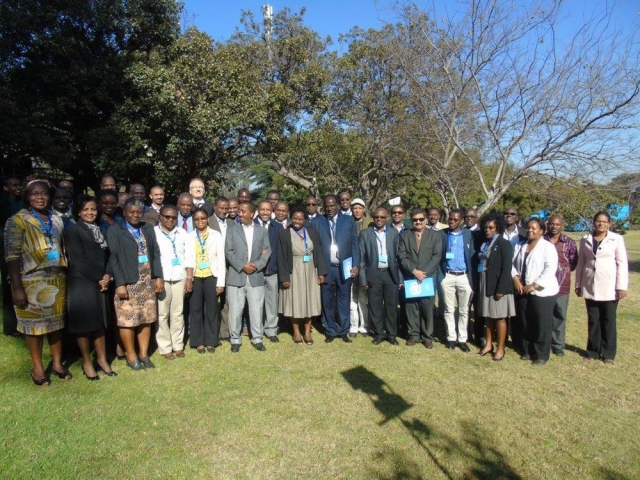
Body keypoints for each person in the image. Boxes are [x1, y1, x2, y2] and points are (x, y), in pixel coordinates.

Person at [4, 180, 70, 385]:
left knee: (56, 323)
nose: (39, 197)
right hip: (31, 280)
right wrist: (17, 287)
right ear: (27, 197)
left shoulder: (56, 219)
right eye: (34, 194)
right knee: (34, 326)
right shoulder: (18, 220)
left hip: (57, 278)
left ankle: (57, 362)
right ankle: (38, 367)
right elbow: (11, 256)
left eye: (43, 193)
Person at [107, 197, 164, 370]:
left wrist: (158, 276)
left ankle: (144, 354)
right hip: (128, 282)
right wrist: (120, 283)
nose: (135, 215)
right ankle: (131, 356)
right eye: (131, 212)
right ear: (124, 213)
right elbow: (113, 258)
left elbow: (155, 253)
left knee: (146, 319)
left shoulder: (148, 229)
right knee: (128, 320)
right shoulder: (115, 230)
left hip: (147, 281)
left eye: (138, 212)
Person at [64, 195, 117, 380]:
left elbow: (109, 255)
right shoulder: (73, 231)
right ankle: (87, 362)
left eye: (93, 209)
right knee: (84, 326)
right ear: (78, 211)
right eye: (85, 209)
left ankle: (102, 360)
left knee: (100, 324)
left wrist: (108, 275)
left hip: (100, 282)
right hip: (82, 283)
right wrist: (99, 278)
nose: (90, 212)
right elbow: (78, 260)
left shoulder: (100, 230)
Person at [575, 211, 628, 364]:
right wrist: (578, 284)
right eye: (598, 221)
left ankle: (608, 354)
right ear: (593, 222)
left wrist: (621, 286)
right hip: (590, 285)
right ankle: (592, 351)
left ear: (609, 224)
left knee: (608, 320)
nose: (601, 224)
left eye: (605, 222)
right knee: (593, 320)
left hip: (609, 287)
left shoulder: (616, 239)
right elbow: (581, 263)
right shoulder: (585, 239)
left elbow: (622, 263)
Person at [512, 218, 559, 365]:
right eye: (528, 228)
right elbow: (511, 264)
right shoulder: (520, 245)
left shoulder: (548, 247)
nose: (530, 230)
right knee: (525, 321)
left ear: (542, 231)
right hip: (522, 290)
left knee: (541, 323)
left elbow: (550, 269)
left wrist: (535, 285)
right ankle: (526, 350)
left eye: (534, 228)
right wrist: (515, 279)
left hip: (542, 292)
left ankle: (541, 354)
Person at [225, 201, 271, 352]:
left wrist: (256, 265)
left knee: (257, 310)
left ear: (252, 214)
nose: (240, 214)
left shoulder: (262, 231)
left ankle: (257, 338)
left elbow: (266, 251)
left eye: (243, 211)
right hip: (236, 276)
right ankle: (235, 340)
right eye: (239, 211)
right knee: (235, 310)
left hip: (255, 276)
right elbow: (229, 251)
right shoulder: (232, 229)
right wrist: (242, 265)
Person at [277, 207, 326, 344]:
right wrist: (285, 277)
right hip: (294, 270)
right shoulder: (285, 234)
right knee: (295, 301)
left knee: (309, 301)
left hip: (311, 270)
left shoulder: (311, 232)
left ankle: (307, 332)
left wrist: (321, 272)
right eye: (295, 218)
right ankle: (296, 332)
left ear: (305, 220)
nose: (297, 221)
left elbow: (319, 252)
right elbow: (281, 257)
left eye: (300, 218)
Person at [315, 195, 360, 343]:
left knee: (344, 299)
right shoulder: (318, 221)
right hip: (327, 268)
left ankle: (343, 330)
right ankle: (330, 330)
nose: (330, 208)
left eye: (332, 205)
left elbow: (354, 243)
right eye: (327, 206)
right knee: (327, 300)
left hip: (345, 267)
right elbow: (316, 248)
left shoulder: (348, 220)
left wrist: (356, 264)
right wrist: (320, 270)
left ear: (338, 205)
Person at [398, 208, 442, 348]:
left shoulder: (435, 236)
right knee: (412, 307)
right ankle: (414, 334)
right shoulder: (405, 235)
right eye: (415, 219)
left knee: (427, 307)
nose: (418, 222)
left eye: (421, 219)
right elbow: (402, 256)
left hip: (428, 277)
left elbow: (437, 256)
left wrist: (424, 273)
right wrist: (413, 271)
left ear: (426, 220)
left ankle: (427, 336)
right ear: (412, 221)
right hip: (411, 276)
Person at [184, 208, 225, 354]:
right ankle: (198, 341)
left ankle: (211, 340)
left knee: (211, 309)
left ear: (207, 219)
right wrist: (188, 278)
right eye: (197, 219)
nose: (200, 221)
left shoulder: (216, 235)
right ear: (193, 221)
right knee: (195, 309)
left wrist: (221, 283)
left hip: (211, 276)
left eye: (202, 218)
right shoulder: (189, 237)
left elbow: (221, 259)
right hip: (195, 277)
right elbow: (188, 258)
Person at [359, 207, 402, 345]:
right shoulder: (365, 234)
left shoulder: (394, 233)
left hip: (390, 274)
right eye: (376, 217)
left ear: (387, 218)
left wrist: (400, 278)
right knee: (375, 306)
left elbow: (398, 257)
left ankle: (391, 334)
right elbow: (361, 258)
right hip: (374, 274)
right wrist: (363, 278)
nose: (379, 219)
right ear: (373, 217)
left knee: (391, 306)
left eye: (382, 217)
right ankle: (379, 333)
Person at [476, 213, 515, 361]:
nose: (487, 230)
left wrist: (501, 289)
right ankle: (488, 344)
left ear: (498, 228)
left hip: (498, 285)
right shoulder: (485, 243)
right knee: (488, 317)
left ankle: (500, 348)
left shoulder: (504, 244)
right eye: (485, 227)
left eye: (491, 228)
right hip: (485, 281)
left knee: (499, 318)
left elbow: (507, 268)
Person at [155, 205, 190, 359]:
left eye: (173, 217)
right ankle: (165, 347)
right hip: (162, 278)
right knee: (162, 314)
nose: (170, 220)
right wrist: (157, 277)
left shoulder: (182, 233)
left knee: (177, 313)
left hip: (180, 277)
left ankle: (178, 344)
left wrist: (189, 278)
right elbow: (153, 258)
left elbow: (189, 257)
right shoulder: (153, 233)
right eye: (166, 217)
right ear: (160, 217)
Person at [438, 208, 476, 352]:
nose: (452, 222)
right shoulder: (442, 234)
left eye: (455, 220)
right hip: (447, 275)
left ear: (461, 220)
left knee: (464, 310)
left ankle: (462, 339)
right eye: (450, 219)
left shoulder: (468, 235)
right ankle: (451, 338)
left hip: (463, 276)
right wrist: (441, 277)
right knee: (448, 309)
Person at [545, 215, 578, 356]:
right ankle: (544, 343)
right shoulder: (541, 240)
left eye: (557, 224)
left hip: (561, 285)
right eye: (551, 224)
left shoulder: (569, 242)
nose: (554, 227)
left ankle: (558, 345)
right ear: (548, 225)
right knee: (544, 316)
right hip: (543, 286)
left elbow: (573, 263)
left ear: (562, 226)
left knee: (560, 315)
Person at [255, 201, 284, 342]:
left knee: (272, 302)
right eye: (262, 209)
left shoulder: (277, 227)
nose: (265, 212)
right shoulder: (250, 225)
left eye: (268, 210)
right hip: (256, 272)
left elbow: (281, 250)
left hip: (272, 271)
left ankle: (271, 330)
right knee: (256, 303)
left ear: (271, 210)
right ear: (258, 210)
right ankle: (257, 329)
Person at [1, 177, 24, 336]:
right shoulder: (3, 203)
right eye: (13, 185)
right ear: (5, 187)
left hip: (23, 246)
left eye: (19, 185)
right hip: (6, 246)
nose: (17, 187)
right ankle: (11, 326)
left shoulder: (23, 202)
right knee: (10, 285)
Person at [349, 198, 373, 337]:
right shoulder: (347, 222)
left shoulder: (370, 223)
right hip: (351, 265)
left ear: (364, 209)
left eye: (360, 208)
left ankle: (364, 326)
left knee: (363, 299)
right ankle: (353, 326)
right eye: (355, 208)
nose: (357, 211)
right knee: (352, 298)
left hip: (366, 266)